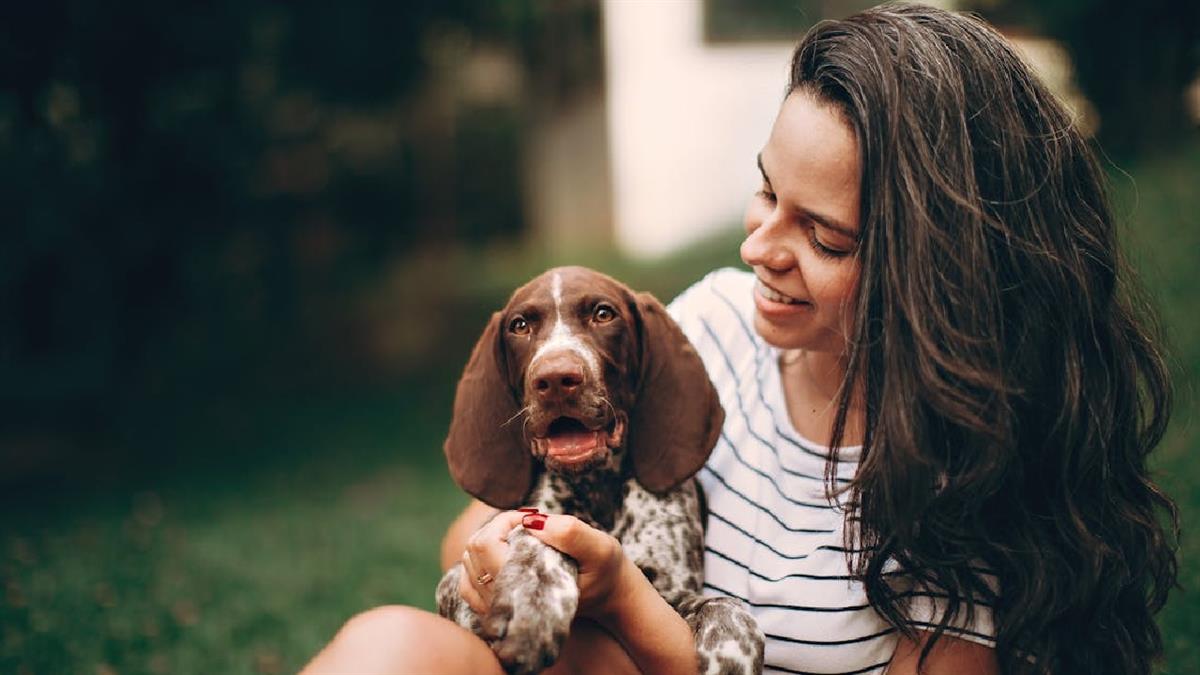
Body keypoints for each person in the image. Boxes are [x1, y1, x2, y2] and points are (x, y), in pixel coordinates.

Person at [301, 3, 1178, 674]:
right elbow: (466, 540)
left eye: (823, 236)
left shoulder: (975, 472)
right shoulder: (714, 324)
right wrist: (518, 559)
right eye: (764, 194)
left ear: (942, 268)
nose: (759, 248)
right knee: (387, 646)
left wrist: (630, 604)